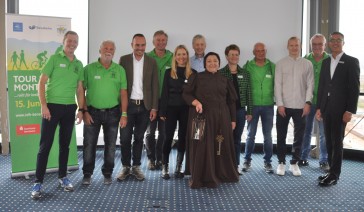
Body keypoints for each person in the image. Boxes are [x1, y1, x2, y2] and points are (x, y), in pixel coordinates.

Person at [31, 31, 84, 199]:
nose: (72, 44)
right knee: (45, 146)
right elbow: (41, 82)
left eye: (75, 41)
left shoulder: (78, 64)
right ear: (63, 42)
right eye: (69, 41)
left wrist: (81, 109)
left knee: (65, 145)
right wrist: (44, 106)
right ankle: (38, 182)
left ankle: (63, 177)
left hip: (70, 108)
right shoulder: (54, 59)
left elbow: (79, 89)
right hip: (52, 107)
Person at [183, 52, 239, 189]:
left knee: (221, 145)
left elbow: (231, 102)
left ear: (219, 63)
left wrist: (233, 119)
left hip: (222, 118)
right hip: (201, 118)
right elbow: (186, 94)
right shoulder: (197, 77)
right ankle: (202, 176)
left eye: (215, 61)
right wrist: (196, 102)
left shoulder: (225, 79)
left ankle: (221, 174)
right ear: (205, 64)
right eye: (209, 61)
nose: (212, 63)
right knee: (202, 146)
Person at [316, 32, 360, 186]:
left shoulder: (351, 61)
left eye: (338, 40)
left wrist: (350, 110)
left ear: (343, 42)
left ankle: (335, 174)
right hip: (326, 108)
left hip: (341, 110)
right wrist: (319, 107)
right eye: (332, 40)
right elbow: (322, 86)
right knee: (328, 141)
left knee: (337, 142)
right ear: (328, 43)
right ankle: (330, 170)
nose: (335, 43)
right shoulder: (326, 62)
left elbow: (354, 89)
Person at [81, 40, 128, 185]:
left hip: (113, 112)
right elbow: (81, 91)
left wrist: (124, 114)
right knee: (89, 144)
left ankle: (107, 173)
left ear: (114, 52)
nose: (108, 50)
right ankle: (87, 174)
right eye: (105, 48)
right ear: (99, 50)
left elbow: (124, 93)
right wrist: (84, 111)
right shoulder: (89, 69)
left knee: (111, 145)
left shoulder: (119, 70)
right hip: (92, 112)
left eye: (111, 49)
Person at [116, 34, 159, 181]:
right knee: (125, 138)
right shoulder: (124, 60)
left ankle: (136, 166)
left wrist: (154, 108)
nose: (140, 48)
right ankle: (125, 167)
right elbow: (119, 85)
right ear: (132, 45)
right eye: (137, 45)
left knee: (139, 138)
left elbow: (155, 86)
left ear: (146, 45)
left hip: (145, 107)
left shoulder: (152, 62)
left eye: (142, 45)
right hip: (128, 106)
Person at [274, 36, 314, 177]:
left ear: (300, 46)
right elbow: (277, 85)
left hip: (301, 106)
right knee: (281, 135)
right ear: (287, 46)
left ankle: (294, 163)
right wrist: (279, 104)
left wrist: (308, 102)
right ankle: (281, 162)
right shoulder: (280, 64)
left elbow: (310, 85)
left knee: (299, 136)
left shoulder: (307, 64)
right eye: (291, 45)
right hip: (283, 106)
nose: (294, 48)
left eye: (296, 45)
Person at [159, 45, 196, 180]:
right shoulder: (169, 73)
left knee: (182, 138)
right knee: (167, 137)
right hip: (170, 109)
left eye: (184, 54)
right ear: (175, 57)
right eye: (179, 54)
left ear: (187, 56)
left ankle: (179, 167)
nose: (181, 57)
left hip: (186, 109)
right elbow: (164, 93)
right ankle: (165, 167)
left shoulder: (193, 73)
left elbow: (194, 94)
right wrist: (162, 111)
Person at [219, 44, 252, 174]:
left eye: (236, 54)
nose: (234, 57)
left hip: (240, 111)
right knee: (224, 138)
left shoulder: (245, 73)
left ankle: (235, 166)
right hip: (225, 111)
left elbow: (248, 93)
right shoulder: (220, 73)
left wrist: (249, 111)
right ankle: (222, 166)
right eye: (231, 54)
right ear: (227, 56)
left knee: (237, 139)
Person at [243, 42, 275, 173]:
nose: (260, 53)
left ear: (266, 52)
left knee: (268, 135)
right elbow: (244, 86)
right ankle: (247, 160)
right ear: (253, 52)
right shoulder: (248, 66)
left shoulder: (272, 66)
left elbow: (277, 84)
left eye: (263, 51)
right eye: (258, 51)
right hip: (252, 105)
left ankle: (268, 162)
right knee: (250, 135)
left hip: (268, 105)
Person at [299, 34, 329, 170]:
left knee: (324, 133)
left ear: (324, 45)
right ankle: (303, 158)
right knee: (306, 131)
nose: (317, 47)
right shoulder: (305, 59)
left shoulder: (329, 60)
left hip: (324, 102)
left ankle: (324, 160)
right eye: (314, 44)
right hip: (308, 102)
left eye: (320, 44)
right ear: (311, 45)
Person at [145, 30, 173, 170]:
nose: (161, 42)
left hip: (166, 101)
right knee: (150, 132)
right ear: (153, 42)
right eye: (158, 40)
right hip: (150, 100)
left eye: (163, 40)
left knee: (164, 132)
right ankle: (151, 159)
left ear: (166, 42)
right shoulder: (147, 57)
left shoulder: (172, 57)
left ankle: (161, 158)